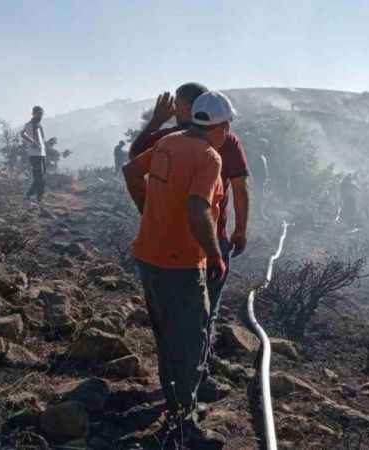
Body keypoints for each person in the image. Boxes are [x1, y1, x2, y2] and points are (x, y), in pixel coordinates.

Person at [123, 91, 234, 444]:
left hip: (149, 256)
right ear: (221, 126)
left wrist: (148, 213)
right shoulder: (209, 157)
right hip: (183, 264)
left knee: (166, 333)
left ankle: (174, 402)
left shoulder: (170, 141)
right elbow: (198, 209)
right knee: (190, 337)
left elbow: (130, 171)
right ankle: (184, 419)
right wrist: (215, 255)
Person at [130, 83, 250, 347]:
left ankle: (178, 369)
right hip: (211, 240)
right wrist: (240, 230)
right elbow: (239, 189)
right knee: (206, 312)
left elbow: (133, 161)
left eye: (178, 105)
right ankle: (195, 371)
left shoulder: (170, 138)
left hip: (167, 240)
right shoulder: (227, 140)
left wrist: (155, 123)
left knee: (172, 315)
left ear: (188, 108)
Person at [21, 106, 46, 201]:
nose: (41, 116)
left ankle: (38, 197)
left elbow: (42, 137)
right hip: (34, 154)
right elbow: (22, 134)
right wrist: (32, 142)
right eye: (39, 114)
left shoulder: (39, 124)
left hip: (42, 153)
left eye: (41, 114)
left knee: (42, 176)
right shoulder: (29, 124)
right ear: (34, 114)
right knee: (38, 177)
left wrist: (43, 145)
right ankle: (30, 195)